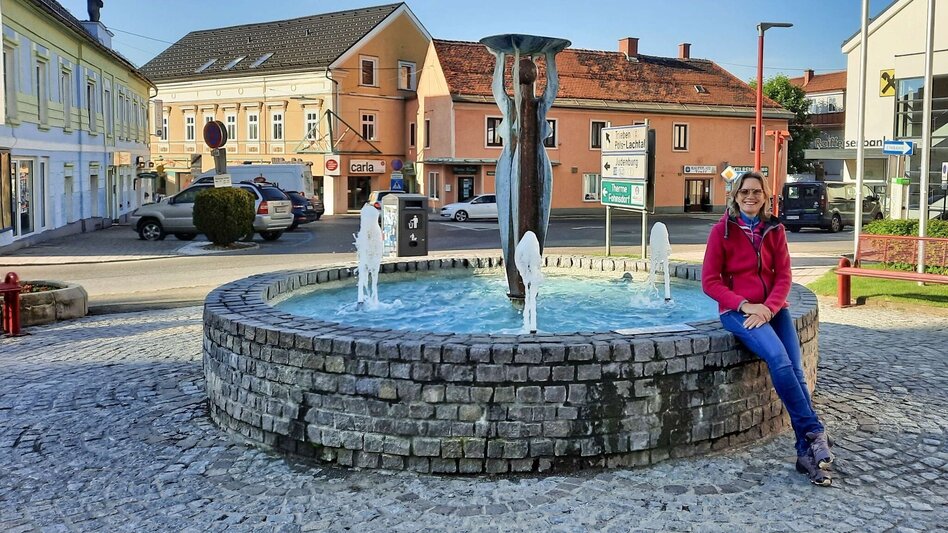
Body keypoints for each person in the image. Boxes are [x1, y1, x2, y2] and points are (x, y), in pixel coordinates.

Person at [701, 172, 834, 487]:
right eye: (745, 191)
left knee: (797, 373)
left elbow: (784, 277)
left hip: (773, 311)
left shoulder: (774, 229)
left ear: (765, 196)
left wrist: (770, 308)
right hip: (738, 312)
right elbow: (710, 282)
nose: (750, 196)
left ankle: (806, 453)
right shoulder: (722, 231)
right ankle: (814, 432)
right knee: (778, 357)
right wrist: (747, 305)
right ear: (735, 196)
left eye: (757, 191)